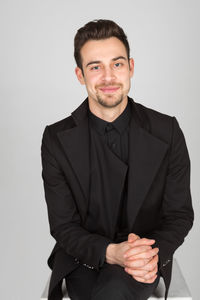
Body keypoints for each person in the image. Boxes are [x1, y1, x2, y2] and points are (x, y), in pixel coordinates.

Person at [41, 19, 194, 300]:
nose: (109, 77)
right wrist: (111, 252)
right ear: (79, 74)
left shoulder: (167, 130)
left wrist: (144, 255)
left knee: (114, 290)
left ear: (131, 67)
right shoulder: (55, 138)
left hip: (144, 256)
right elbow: (63, 225)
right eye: (95, 67)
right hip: (83, 258)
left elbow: (180, 214)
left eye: (117, 64)